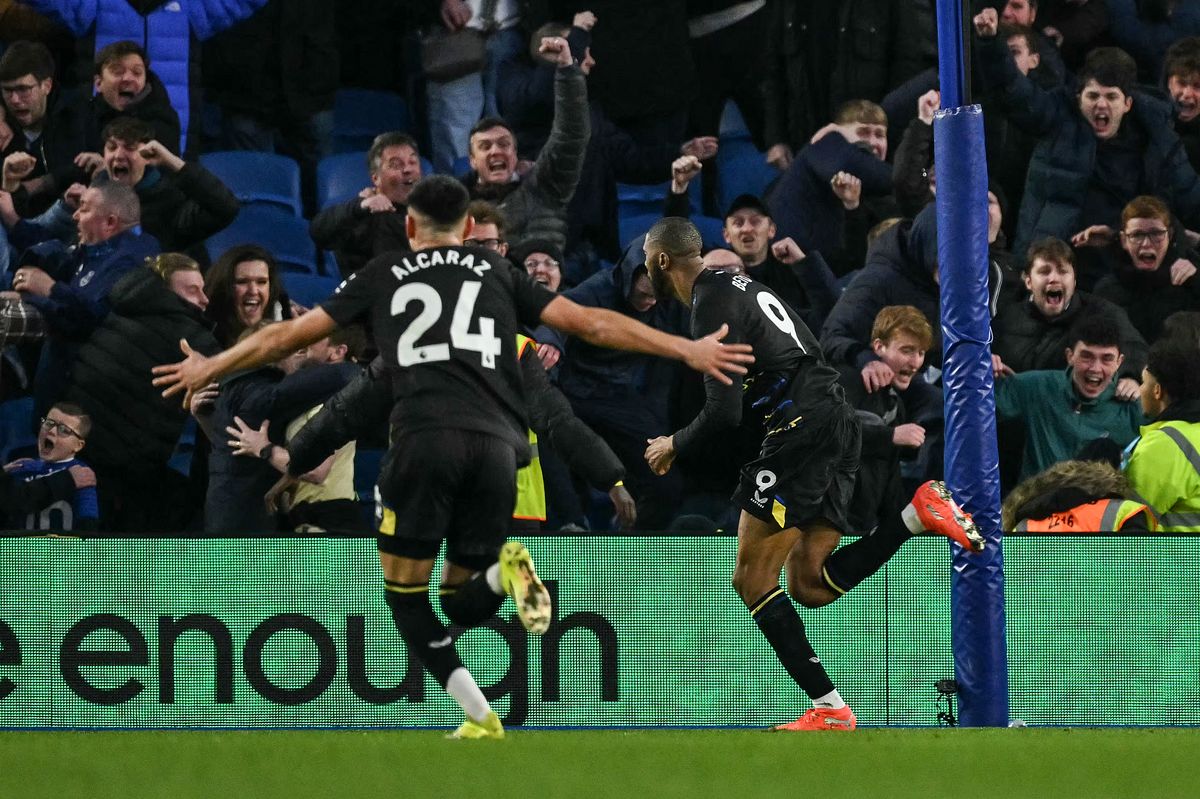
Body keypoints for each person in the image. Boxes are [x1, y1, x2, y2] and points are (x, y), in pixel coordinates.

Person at [152, 174, 753, 738]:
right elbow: (589, 321)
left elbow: (292, 336)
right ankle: (484, 697)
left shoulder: (387, 271)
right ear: (468, 229)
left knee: (406, 598)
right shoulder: (497, 271)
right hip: (497, 453)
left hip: (424, 443)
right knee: (461, 597)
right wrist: (686, 349)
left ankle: (492, 636)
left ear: (410, 229)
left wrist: (213, 364)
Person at [640, 217, 983, 732]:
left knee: (751, 578)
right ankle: (917, 514)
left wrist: (674, 443)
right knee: (810, 584)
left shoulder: (709, 299)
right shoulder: (742, 284)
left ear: (661, 260)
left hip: (800, 430)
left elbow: (725, 410)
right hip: (834, 422)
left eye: (647, 259)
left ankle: (830, 709)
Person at [973, 8, 1200, 262]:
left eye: (1111, 97)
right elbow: (1013, 92)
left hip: (1121, 263)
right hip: (1053, 261)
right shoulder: (1059, 117)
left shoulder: (1157, 137)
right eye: (1093, 96)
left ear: (1127, 104)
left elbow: (1190, 197)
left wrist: (1117, 236)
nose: (1101, 105)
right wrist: (990, 43)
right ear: (1079, 97)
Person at [60, 252, 219, 532]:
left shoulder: (122, 308)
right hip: (127, 470)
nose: (205, 300)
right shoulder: (190, 335)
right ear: (165, 292)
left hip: (82, 449)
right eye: (193, 291)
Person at [666, 156, 838, 334]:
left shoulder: (793, 272)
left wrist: (804, 264)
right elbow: (674, 245)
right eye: (738, 223)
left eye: (755, 221)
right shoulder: (712, 263)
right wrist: (679, 189)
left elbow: (829, 314)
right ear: (726, 234)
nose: (747, 229)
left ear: (771, 230)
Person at [463, 35, 589, 254]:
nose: (496, 151)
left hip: (544, 284)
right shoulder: (455, 204)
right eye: (485, 146)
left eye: (504, 144)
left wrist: (567, 68)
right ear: (472, 161)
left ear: (515, 153)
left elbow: (571, 133)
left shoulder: (546, 184)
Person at [995, 314, 1145, 480]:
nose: (1095, 368)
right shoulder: (1038, 387)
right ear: (1070, 356)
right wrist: (981, 369)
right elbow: (974, 408)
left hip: (1096, 505)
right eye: (1086, 356)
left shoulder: (1134, 408)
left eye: (1106, 359)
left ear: (1119, 362)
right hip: (1036, 502)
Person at [835, 305, 942, 535]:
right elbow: (827, 432)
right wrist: (891, 436)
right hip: (826, 525)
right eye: (907, 350)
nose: (915, 362)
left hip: (861, 528)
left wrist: (892, 532)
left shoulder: (896, 404)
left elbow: (888, 477)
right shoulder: (847, 380)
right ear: (878, 347)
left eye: (921, 352)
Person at [992, 237, 1146, 391]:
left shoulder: (1102, 313)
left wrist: (1130, 377)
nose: (1054, 278)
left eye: (1062, 271)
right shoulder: (1006, 318)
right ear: (1028, 281)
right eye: (1044, 272)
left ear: (1074, 280)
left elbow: (1135, 347)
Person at [1078, 195, 1200, 343]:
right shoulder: (1107, 291)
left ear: (1170, 236)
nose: (1146, 243)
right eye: (1137, 235)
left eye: (1156, 234)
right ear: (1123, 240)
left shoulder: (1189, 281)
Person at [310, 132, 418, 277]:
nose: (407, 169)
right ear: (376, 178)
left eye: (412, 162)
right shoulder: (362, 216)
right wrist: (359, 207)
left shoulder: (431, 211)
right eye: (396, 165)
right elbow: (319, 232)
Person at [1124, 337, 1200, 531]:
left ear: (1157, 391)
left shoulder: (1165, 444)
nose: (1140, 390)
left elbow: (1129, 519)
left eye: (1143, 382)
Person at [0, 401, 97, 531]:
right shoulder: (22, 468)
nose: (51, 431)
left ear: (78, 445)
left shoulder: (81, 473)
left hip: (64, 549)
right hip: (22, 549)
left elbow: (88, 524)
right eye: (48, 423)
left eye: (64, 430)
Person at [203, 244, 287, 347]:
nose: (253, 291)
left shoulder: (286, 320)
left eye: (261, 282)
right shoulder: (205, 338)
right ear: (224, 287)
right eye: (242, 282)